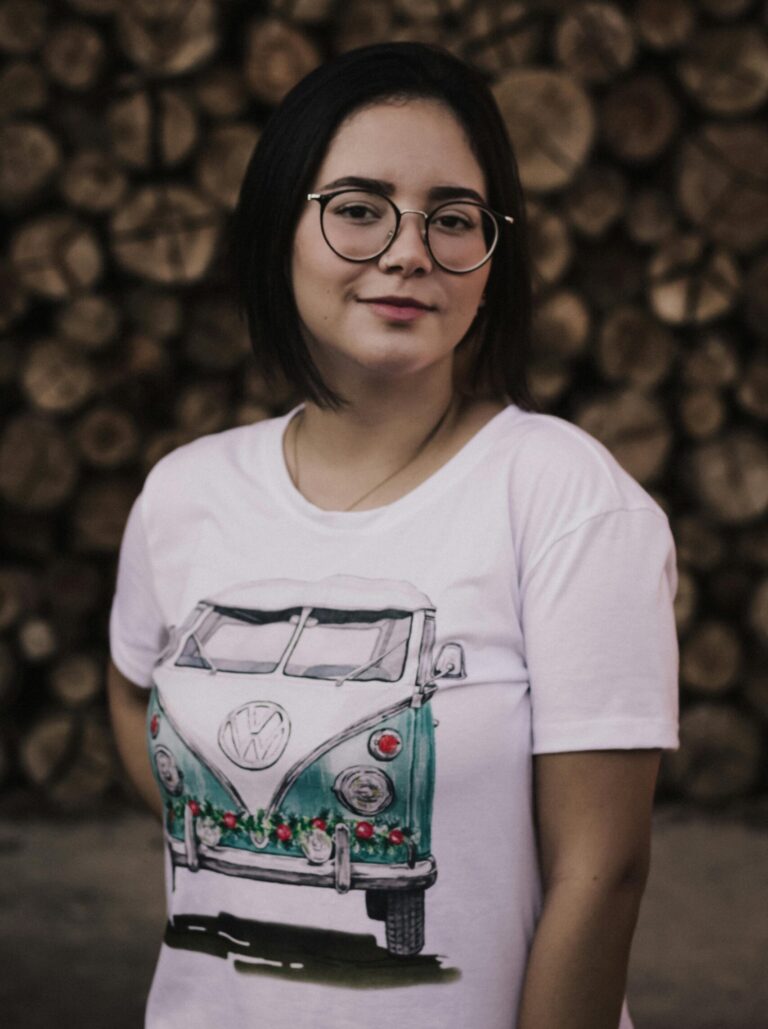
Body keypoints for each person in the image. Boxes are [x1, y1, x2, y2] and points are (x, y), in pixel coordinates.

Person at [107, 41, 679, 1029]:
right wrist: (258, 823)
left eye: (453, 219)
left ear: (493, 262)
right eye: (359, 208)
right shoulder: (184, 492)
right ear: (279, 228)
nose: (408, 251)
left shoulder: (562, 495)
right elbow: (130, 687)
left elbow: (603, 872)